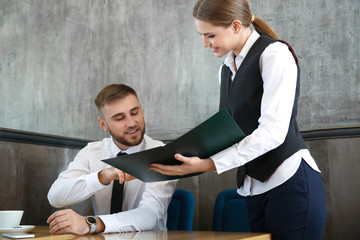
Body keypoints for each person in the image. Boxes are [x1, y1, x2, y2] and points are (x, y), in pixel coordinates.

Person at [150, 0, 327, 239]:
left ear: (235, 26)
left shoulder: (274, 54)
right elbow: (230, 131)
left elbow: (273, 132)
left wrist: (209, 164)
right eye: (202, 36)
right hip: (252, 191)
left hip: (291, 186)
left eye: (210, 35)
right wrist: (177, 158)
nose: (205, 44)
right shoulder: (226, 68)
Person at [47, 84, 177, 235]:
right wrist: (102, 177)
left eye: (135, 113)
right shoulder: (91, 152)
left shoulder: (161, 153)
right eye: (120, 118)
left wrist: (91, 224)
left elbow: (150, 214)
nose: (131, 123)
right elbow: (55, 196)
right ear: (103, 125)